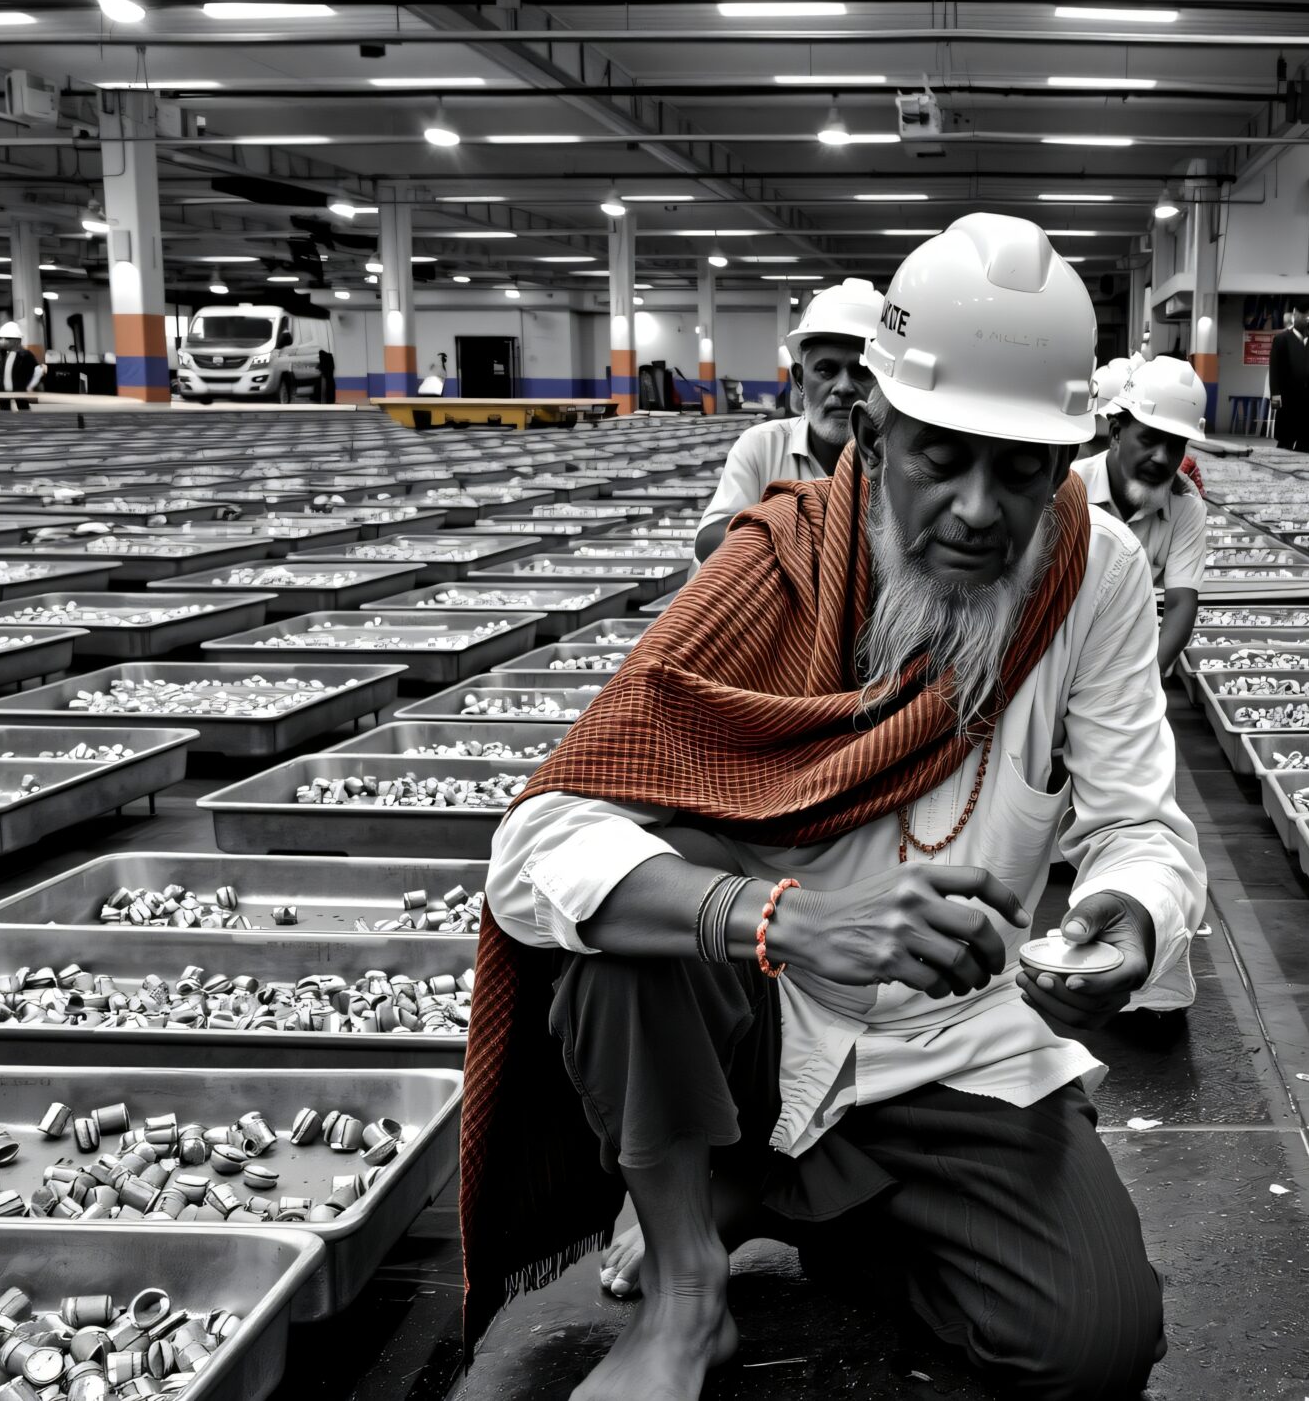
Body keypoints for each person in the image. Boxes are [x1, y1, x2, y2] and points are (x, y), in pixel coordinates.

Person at [469, 212, 1196, 1401]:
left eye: (1022, 470)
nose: (978, 510)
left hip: (950, 1043)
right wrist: (788, 920)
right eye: (939, 457)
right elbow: (535, 843)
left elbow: (1137, 822)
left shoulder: (1095, 572)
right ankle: (690, 1292)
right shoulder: (773, 562)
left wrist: (1129, 907)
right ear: (873, 431)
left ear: (1066, 458)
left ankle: (769, 1194)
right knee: (627, 922)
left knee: (1094, 1343)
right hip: (756, 1023)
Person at [693, 277, 885, 562]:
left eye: (862, 371)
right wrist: (793, 530)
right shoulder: (762, 446)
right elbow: (708, 539)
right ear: (799, 379)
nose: (844, 387)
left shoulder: (901, 457)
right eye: (826, 370)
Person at [1075, 354, 1206, 675]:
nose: (1161, 457)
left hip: (1135, 657)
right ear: (1116, 433)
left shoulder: (1186, 508)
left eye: (1175, 445)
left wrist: (1142, 686)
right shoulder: (1072, 488)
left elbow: (1180, 604)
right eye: (1149, 439)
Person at [1266, 305, 1309, 453]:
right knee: (1285, 443)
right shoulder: (1281, 340)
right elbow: (1274, 373)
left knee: (1306, 442)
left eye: (1308, 316)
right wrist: (1276, 403)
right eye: (1302, 315)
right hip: (1288, 403)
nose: (1306, 319)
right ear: (1294, 315)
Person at [0, 321, 43, 412]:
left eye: (6, 338)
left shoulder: (25, 354)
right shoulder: (3, 355)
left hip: (19, 390)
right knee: (4, 411)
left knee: (23, 410)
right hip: (4, 392)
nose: (2, 341)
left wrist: (31, 386)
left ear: (17, 341)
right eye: (1, 338)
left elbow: (38, 371)